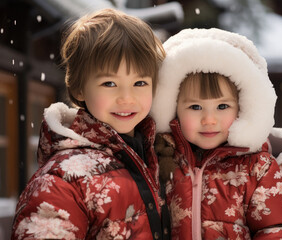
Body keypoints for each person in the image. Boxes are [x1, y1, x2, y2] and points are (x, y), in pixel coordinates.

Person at [11, 8, 170, 239]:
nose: (127, 97)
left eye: (140, 82)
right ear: (79, 88)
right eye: (109, 83)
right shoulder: (63, 179)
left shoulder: (157, 158)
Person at [151, 28, 282, 239]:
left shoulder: (257, 169)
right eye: (196, 107)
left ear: (241, 108)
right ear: (173, 109)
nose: (209, 119)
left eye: (222, 106)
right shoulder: (160, 160)